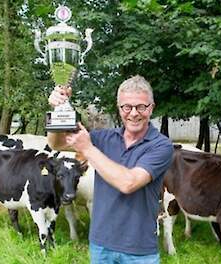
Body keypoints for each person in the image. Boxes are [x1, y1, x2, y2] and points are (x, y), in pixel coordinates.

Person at [48, 75, 173, 264]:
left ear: (152, 107)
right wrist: (59, 109)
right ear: (119, 108)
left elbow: (129, 183)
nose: (133, 113)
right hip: (101, 245)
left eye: (141, 106)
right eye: (127, 107)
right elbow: (56, 143)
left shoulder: (161, 145)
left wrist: (88, 149)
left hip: (139, 251)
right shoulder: (104, 138)